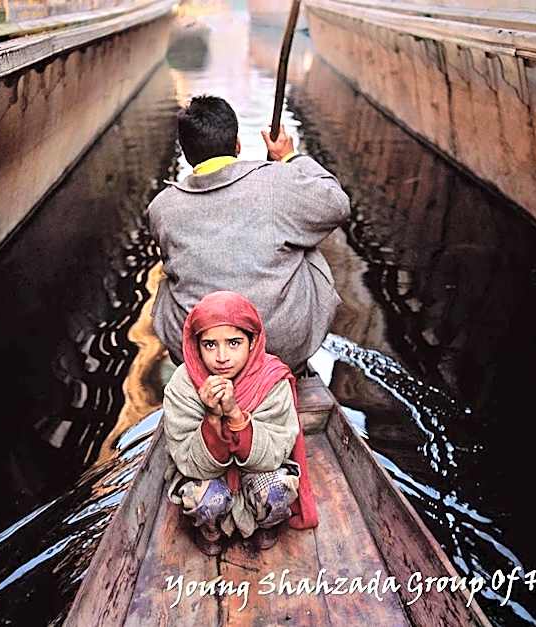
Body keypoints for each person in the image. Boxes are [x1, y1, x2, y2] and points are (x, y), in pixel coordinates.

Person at [148, 95, 351, 373]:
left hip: (199, 350)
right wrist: (290, 157)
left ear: (186, 153)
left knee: (167, 276)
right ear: (237, 145)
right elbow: (337, 205)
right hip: (280, 346)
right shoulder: (278, 181)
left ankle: (204, 364)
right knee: (305, 237)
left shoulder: (162, 208)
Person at [162, 291, 318, 556]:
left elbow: (273, 455)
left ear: (252, 341)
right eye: (210, 345)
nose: (222, 356)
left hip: (257, 471)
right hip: (208, 475)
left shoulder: (272, 380)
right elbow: (188, 462)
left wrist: (235, 414)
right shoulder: (182, 385)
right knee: (206, 500)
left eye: (234, 343)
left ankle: (266, 523)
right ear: (195, 345)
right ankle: (211, 529)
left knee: (277, 490)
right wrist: (211, 417)